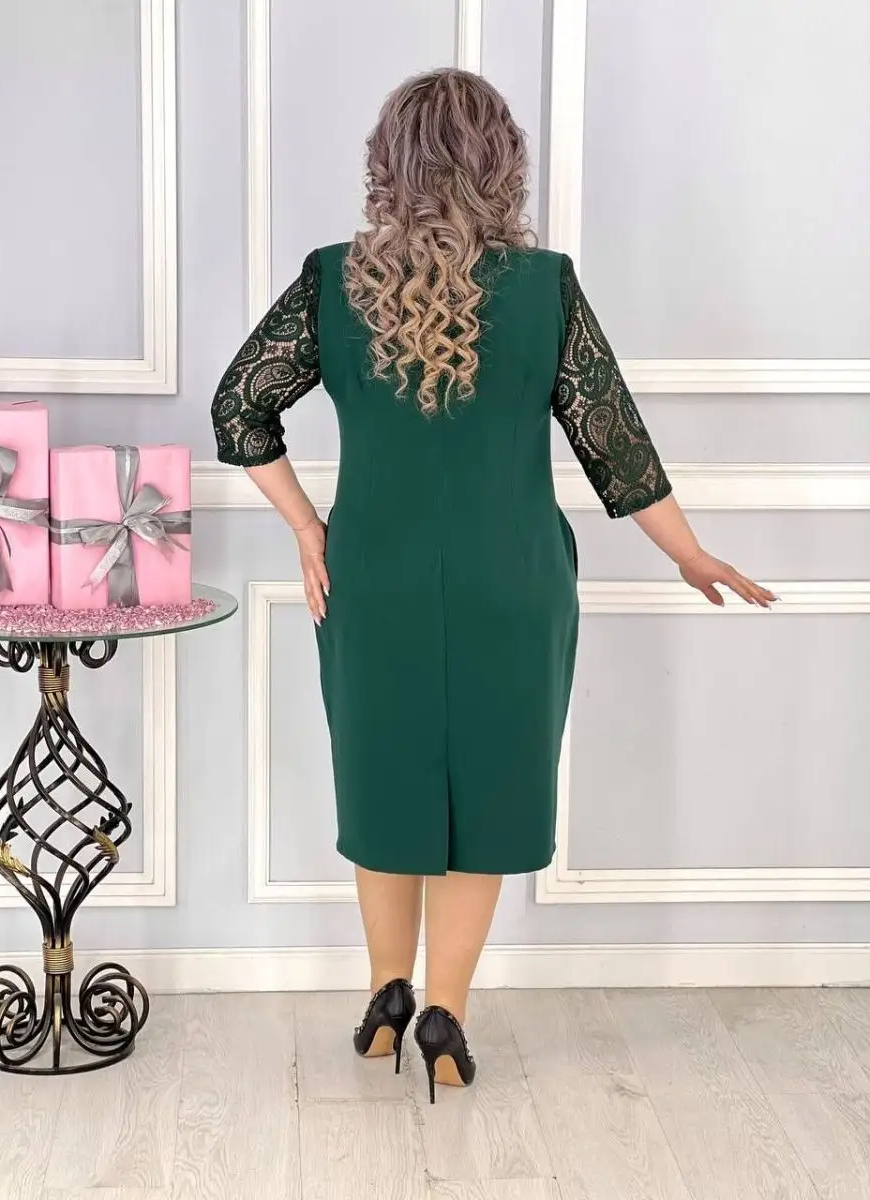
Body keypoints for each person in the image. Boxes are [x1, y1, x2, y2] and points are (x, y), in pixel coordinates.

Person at [210, 67, 776, 1104]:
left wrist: (306, 528)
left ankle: (384, 999)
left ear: (388, 164)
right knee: (488, 797)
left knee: (382, 782)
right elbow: (615, 446)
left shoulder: (333, 282)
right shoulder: (545, 287)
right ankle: (445, 1014)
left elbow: (238, 406)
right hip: (512, 584)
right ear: (501, 164)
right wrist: (689, 552)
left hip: (370, 581)